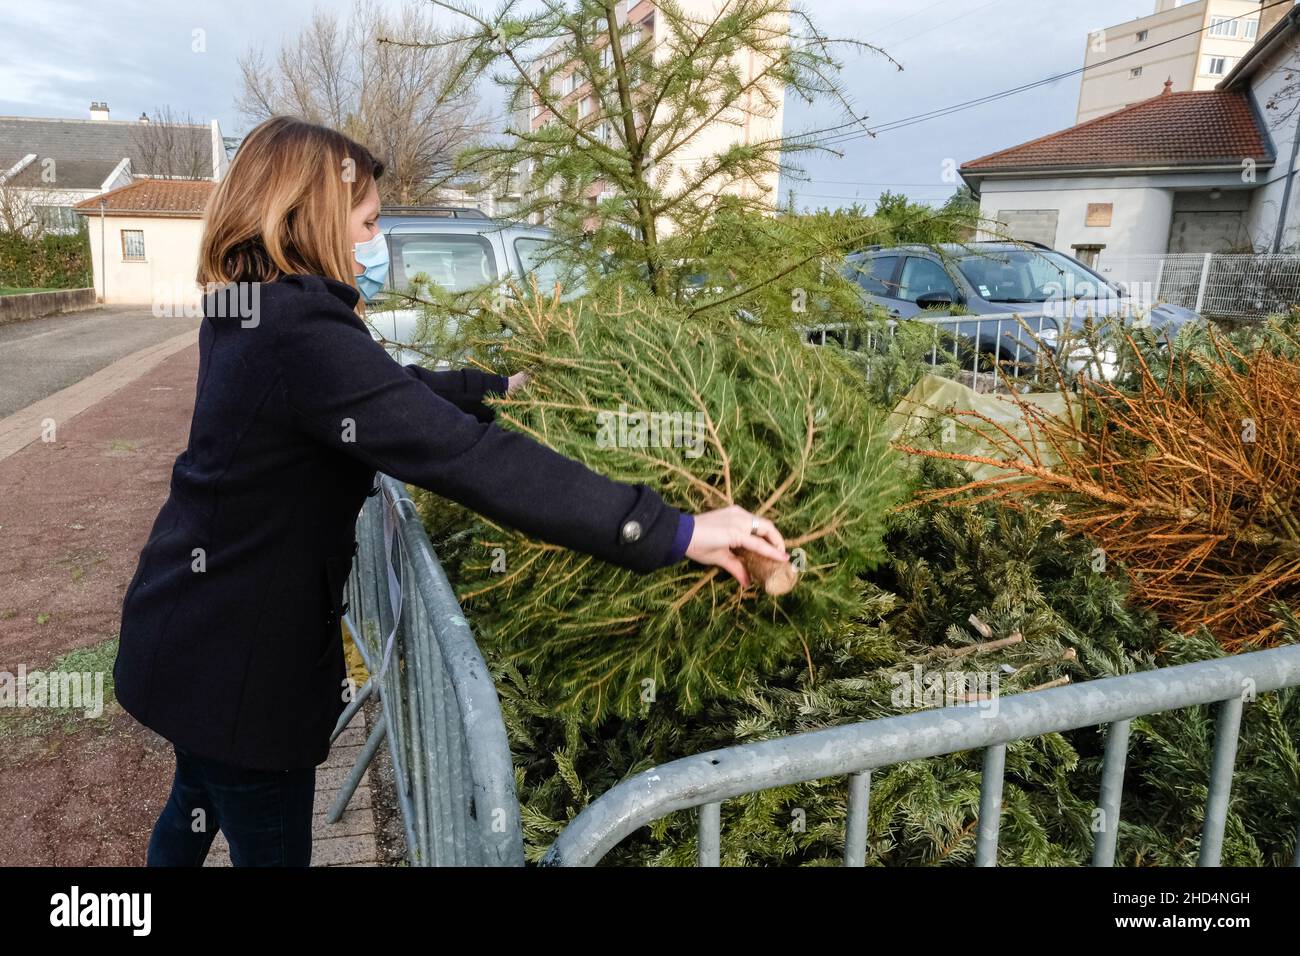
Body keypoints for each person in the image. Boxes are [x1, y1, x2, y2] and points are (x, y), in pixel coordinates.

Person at [115, 115, 789, 867]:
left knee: (192, 808)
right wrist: (671, 530)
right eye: (368, 222)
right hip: (241, 667)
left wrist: (498, 387)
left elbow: (387, 394)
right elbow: (469, 460)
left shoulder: (256, 307)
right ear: (315, 215)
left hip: (189, 630)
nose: (375, 243)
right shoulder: (300, 331)